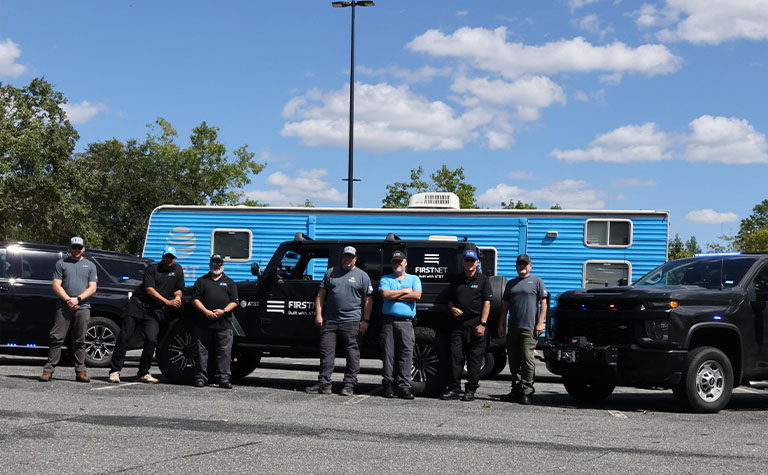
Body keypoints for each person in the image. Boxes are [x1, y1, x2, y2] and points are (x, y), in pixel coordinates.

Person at [109, 245, 184, 384]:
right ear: (163, 257)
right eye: (167, 257)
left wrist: (178, 297)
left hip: (154, 310)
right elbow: (150, 290)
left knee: (151, 340)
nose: (169, 260)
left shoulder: (178, 270)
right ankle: (115, 371)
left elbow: (179, 289)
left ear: (175, 259)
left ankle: (143, 372)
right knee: (125, 336)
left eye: (171, 257)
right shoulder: (153, 269)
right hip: (137, 305)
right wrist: (167, 302)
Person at [306, 246, 373, 396]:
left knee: (352, 353)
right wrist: (319, 314)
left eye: (350, 257)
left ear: (355, 259)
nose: (347, 259)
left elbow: (368, 300)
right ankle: (324, 384)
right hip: (330, 320)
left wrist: (365, 320)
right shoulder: (331, 273)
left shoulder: (362, 276)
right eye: (345, 256)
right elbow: (320, 295)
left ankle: (349, 385)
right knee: (326, 352)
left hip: (352, 321)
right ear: (341, 257)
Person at [40, 237, 98, 382]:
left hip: (83, 306)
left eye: (79, 247)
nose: (77, 250)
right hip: (63, 307)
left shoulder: (90, 265)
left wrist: (77, 299)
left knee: (80, 340)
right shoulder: (61, 263)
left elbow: (93, 288)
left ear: (83, 248)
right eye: (74, 247)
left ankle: (81, 371)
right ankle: (48, 370)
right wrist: (68, 300)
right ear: (70, 248)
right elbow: (56, 285)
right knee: (56, 338)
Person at [441, 249, 492, 402]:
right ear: (463, 262)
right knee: (455, 357)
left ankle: (471, 390)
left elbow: (487, 303)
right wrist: (452, 308)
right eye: (467, 260)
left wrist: (483, 324)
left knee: (474, 360)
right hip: (458, 325)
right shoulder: (456, 280)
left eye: (472, 261)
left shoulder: (483, 280)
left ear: (477, 263)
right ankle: (455, 388)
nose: (469, 263)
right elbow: (449, 299)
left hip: (476, 324)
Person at [497, 254, 547, 405]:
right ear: (516, 266)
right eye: (519, 264)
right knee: (513, 360)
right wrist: (501, 324)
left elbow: (543, 303)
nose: (522, 267)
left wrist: (540, 323)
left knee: (527, 359)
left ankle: (527, 391)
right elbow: (505, 306)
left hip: (529, 328)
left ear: (530, 266)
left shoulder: (537, 282)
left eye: (525, 264)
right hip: (513, 328)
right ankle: (516, 390)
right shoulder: (511, 284)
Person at [191, 254, 240, 389]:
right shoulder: (201, 281)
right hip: (203, 323)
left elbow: (235, 302)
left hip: (224, 324)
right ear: (210, 264)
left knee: (224, 352)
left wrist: (223, 311)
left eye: (219, 263)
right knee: (202, 351)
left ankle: (223, 378)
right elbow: (195, 299)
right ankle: (200, 377)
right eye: (214, 263)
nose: (216, 266)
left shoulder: (230, 282)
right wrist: (205, 311)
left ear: (223, 265)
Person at [378, 250, 422, 399]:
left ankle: (404, 387)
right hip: (388, 322)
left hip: (406, 323)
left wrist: (394, 295)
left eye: (400, 261)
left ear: (405, 263)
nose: (397, 264)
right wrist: (404, 291)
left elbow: (417, 295)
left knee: (406, 354)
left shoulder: (414, 278)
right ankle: (388, 385)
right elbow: (384, 294)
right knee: (388, 354)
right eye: (394, 262)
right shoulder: (386, 278)